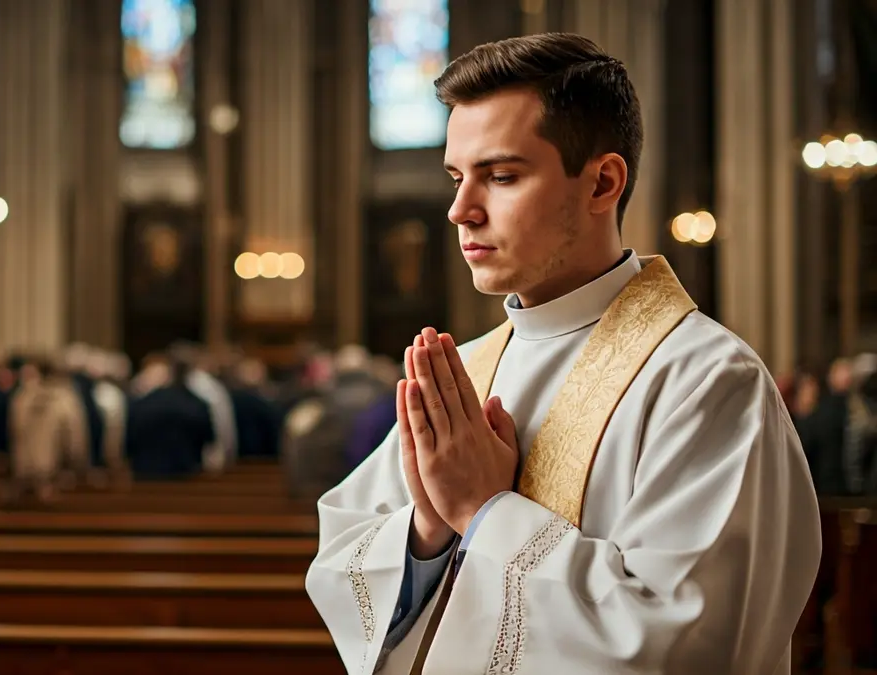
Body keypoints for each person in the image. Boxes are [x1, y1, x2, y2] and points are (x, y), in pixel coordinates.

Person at [305, 33, 820, 675]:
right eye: (456, 177)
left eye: (501, 176)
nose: (460, 211)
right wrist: (428, 533)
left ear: (602, 182)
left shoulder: (706, 379)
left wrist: (483, 512)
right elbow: (342, 561)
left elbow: (686, 641)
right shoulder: (463, 370)